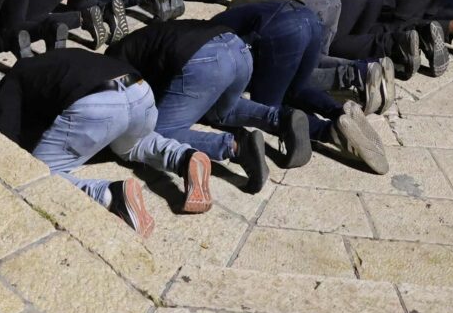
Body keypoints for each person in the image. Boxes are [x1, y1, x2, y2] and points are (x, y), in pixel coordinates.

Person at [0, 49, 194, 235]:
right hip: (141, 92)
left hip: (98, 106)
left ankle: (109, 196)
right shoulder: (63, 60)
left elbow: (3, 138)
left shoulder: (15, 76)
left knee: (36, 175)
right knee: (131, 145)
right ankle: (182, 157)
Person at [108, 19, 307, 200]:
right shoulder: (144, 39)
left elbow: (129, 101)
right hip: (239, 50)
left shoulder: (115, 62)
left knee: (157, 133)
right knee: (217, 110)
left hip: (203, 61)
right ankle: (280, 119)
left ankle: (236, 147)